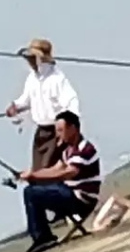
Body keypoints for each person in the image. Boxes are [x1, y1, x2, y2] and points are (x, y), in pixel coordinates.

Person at [16, 110, 101, 252]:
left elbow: (68, 172)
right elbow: (55, 169)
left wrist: (35, 175)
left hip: (81, 200)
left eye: (61, 130)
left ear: (73, 128)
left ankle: (43, 237)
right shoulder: (67, 151)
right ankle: (42, 235)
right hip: (70, 194)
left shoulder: (84, 149)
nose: (58, 135)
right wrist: (31, 175)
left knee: (30, 193)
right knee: (33, 188)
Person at [5, 38, 81, 170]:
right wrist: (15, 107)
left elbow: (71, 102)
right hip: (41, 132)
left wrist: (67, 127)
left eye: (33, 57)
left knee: (49, 169)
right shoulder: (32, 78)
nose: (30, 61)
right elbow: (26, 100)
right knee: (38, 169)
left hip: (56, 132)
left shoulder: (57, 79)